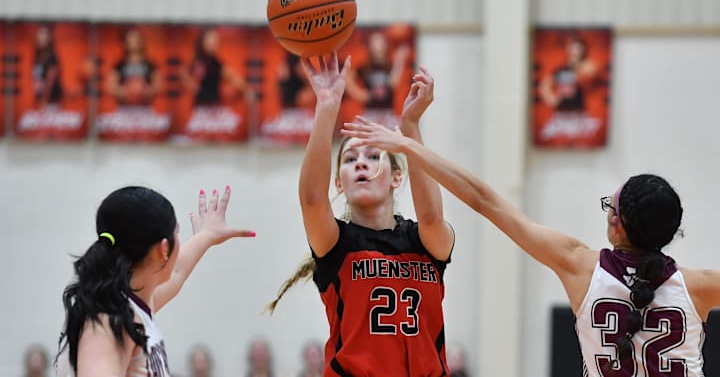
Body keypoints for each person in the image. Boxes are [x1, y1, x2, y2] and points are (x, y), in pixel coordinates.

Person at [342, 119, 715, 376]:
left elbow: (484, 200)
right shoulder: (699, 286)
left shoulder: (580, 267)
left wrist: (407, 144)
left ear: (616, 223)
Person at [267, 54, 455, 376]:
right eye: (350, 159)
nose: (361, 163)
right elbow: (312, 200)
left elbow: (433, 218)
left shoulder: (422, 240)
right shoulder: (337, 243)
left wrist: (410, 129)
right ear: (339, 183)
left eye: (372, 155)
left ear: (397, 177)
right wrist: (327, 107)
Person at [55, 185, 254, 377]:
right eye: (177, 232)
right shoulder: (109, 316)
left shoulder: (125, 300)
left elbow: (177, 272)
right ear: (164, 248)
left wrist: (208, 235)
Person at [181, 28, 253, 108]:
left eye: (215, 40)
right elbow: (184, 74)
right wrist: (196, 89)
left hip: (214, 105)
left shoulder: (216, 62)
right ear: (203, 41)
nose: (213, 43)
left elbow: (232, 77)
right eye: (210, 40)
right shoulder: (197, 59)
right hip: (201, 106)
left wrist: (245, 89)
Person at [538, 33, 598, 112]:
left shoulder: (588, 66)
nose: (575, 52)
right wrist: (551, 99)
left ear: (583, 50)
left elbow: (591, 73)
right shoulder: (561, 69)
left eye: (578, 49)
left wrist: (578, 67)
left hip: (579, 111)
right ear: (568, 49)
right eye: (572, 48)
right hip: (562, 112)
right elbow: (544, 86)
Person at [106, 28, 162, 108]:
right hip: (124, 109)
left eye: (136, 40)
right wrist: (123, 92)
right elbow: (110, 86)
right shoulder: (120, 65)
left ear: (141, 42)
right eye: (130, 40)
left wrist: (147, 91)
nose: (133, 43)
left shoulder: (150, 64)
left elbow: (159, 85)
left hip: (145, 109)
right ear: (125, 43)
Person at [32, 25, 63, 110]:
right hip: (41, 99)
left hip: (50, 101)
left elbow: (50, 80)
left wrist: (44, 101)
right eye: (39, 35)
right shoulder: (38, 55)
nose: (40, 38)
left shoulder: (51, 57)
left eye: (43, 36)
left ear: (49, 39)